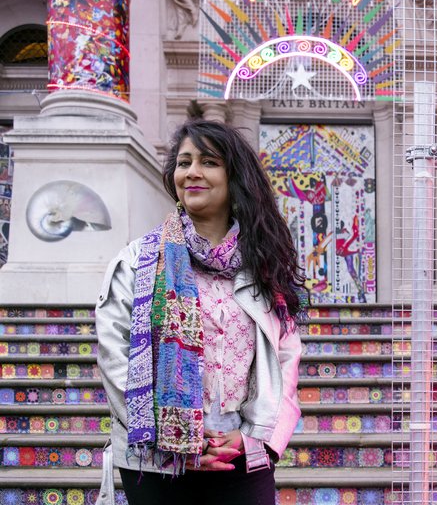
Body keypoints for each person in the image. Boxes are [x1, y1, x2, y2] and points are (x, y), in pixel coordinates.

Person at [95, 119, 307, 504]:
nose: (191, 172)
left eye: (208, 162)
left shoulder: (262, 266)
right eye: (183, 162)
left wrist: (254, 434)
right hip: (158, 460)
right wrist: (173, 439)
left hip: (238, 454)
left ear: (235, 177)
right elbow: (116, 358)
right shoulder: (138, 262)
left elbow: (286, 354)